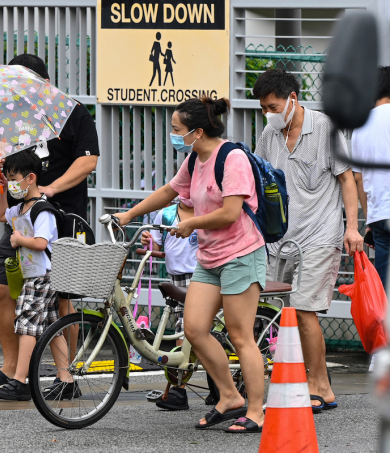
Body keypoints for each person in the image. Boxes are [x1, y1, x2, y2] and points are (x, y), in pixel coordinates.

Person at [115, 97, 267, 433]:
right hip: (210, 258)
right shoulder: (194, 159)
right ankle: (229, 397)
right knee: (195, 329)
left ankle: (256, 410)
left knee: (240, 336)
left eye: (176, 129)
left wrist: (192, 224)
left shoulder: (233, 158)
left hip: (241, 255)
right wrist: (128, 215)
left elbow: (230, 212)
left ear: (197, 132)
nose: (173, 134)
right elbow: (170, 191)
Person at [0, 54, 99, 394]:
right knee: (1, 289)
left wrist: (52, 188)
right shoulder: (8, 116)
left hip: (60, 218)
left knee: (61, 301)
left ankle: (65, 375)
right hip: (20, 220)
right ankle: (11, 367)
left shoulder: (71, 111)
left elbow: (89, 159)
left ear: (42, 82)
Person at [252, 69, 364, 412]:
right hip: (279, 240)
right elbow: (257, 181)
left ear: (292, 100)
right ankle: (297, 379)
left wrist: (352, 227)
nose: (267, 114)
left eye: (272, 106)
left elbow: (346, 179)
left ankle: (320, 386)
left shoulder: (325, 128)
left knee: (304, 310)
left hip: (320, 234)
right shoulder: (269, 136)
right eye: (263, 108)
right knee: (274, 311)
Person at [0, 150, 76, 401]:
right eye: (8, 177)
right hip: (34, 275)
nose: (12, 182)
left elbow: (40, 243)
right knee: (52, 327)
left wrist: (19, 240)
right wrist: (2, 190)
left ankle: (19, 381)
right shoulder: (21, 207)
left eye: (14, 178)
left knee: (27, 325)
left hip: (43, 275)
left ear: (30, 178)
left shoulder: (42, 210)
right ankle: (66, 380)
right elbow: (0, 215)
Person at [142, 199, 198, 411]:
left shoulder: (207, 211)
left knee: (186, 332)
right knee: (184, 333)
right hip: (176, 278)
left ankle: (178, 389)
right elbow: (156, 246)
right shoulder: (166, 215)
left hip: (200, 276)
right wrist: (148, 242)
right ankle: (181, 387)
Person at [352, 66, 390, 290]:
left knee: (384, 289)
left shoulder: (359, 127)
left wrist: (370, 221)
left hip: (379, 217)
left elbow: (359, 178)